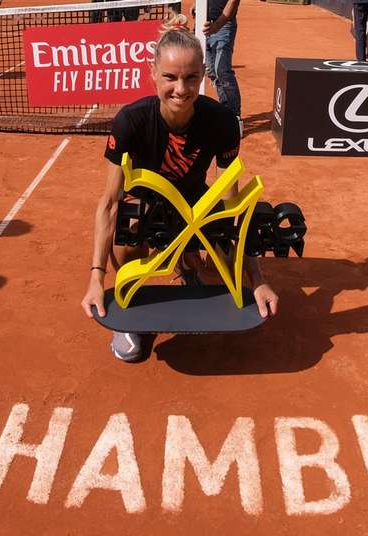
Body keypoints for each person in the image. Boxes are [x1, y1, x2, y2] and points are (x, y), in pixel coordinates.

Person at [80, 18, 278, 363]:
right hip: (144, 207)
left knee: (220, 264)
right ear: (152, 73)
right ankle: (131, 310)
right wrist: (97, 278)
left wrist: (255, 278)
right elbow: (110, 203)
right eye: (170, 77)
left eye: (190, 78)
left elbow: (231, 203)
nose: (181, 89)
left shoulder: (222, 122)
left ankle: (186, 266)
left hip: (193, 204)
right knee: (128, 230)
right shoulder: (130, 121)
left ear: (203, 75)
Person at [203, 0, 242, 130]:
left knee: (222, 71)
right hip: (204, 25)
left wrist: (217, 26)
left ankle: (234, 117)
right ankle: (226, 111)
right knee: (211, 71)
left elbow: (233, 1)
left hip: (223, 26)